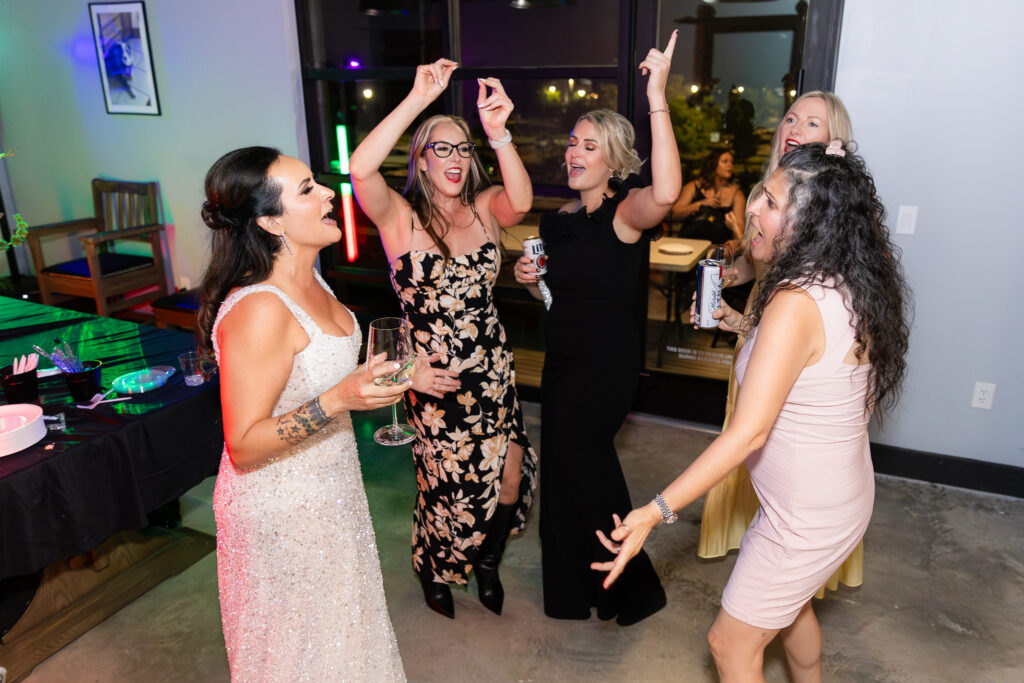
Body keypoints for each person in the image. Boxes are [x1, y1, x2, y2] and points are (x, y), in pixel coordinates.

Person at [595, 141, 911, 680]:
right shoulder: (843, 279)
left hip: (804, 518)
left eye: (769, 201)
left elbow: (748, 434)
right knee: (792, 611)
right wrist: (739, 324)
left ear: (811, 222)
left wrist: (654, 513)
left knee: (730, 645)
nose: (752, 212)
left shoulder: (794, 302)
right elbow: (809, 368)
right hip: (834, 498)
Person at [198, 146, 428, 680]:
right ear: (271, 220)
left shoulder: (313, 277)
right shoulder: (258, 308)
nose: (328, 191)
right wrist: (340, 398)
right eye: (307, 189)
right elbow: (244, 444)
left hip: (330, 488)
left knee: (346, 640)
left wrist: (377, 378)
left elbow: (313, 371)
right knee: (300, 655)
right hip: (278, 512)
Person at [349, 60, 538, 619]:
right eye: (441, 149)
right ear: (422, 160)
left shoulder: (484, 209)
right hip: (434, 382)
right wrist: (418, 99)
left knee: (507, 475)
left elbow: (522, 202)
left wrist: (499, 131)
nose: (455, 160)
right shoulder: (400, 219)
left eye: (463, 149)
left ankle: (487, 560)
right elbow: (360, 169)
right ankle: (432, 566)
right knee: (447, 491)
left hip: (494, 373)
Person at [513, 31, 681, 625]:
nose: (574, 152)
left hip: (605, 365)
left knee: (586, 466)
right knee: (561, 471)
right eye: (572, 142)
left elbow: (667, 190)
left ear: (612, 159)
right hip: (561, 358)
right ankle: (572, 591)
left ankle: (631, 590)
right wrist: (528, 276)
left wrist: (656, 95)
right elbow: (554, 294)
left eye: (589, 144)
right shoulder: (556, 223)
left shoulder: (625, 212)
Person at [698, 93, 861, 600]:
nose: (794, 126)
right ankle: (770, 563)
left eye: (811, 122)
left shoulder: (838, 220)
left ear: (833, 143)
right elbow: (753, 268)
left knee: (782, 477)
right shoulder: (767, 191)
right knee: (760, 481)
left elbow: (824, 329)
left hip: (802, 375)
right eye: (791, 116)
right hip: (763, 351)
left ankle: (783, 573)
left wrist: (656, 509)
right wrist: (723, 287)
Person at [669, 148, 745, 243]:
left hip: (718, 249)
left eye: (731, 162)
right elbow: (675, 213)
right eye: (725, 161)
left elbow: (739, 230)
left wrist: (734, 242)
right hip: (689, 245)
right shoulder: (693, 186)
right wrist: (699, 204)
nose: (730, 165)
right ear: (713, 164)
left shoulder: (737, 194)